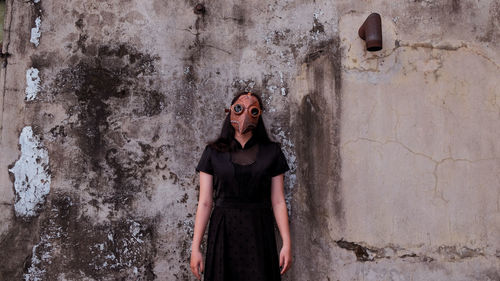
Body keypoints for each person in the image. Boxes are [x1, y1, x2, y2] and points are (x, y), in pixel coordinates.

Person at [190, 91, 292, 281]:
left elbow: (278, 201)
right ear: (230, 111)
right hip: (224, 231)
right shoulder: (212, 152)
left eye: (252, 110)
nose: (244, 114)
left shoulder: (272, 152)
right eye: (239, 108)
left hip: (259, 229)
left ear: (258, 115)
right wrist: (195, 248)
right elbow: (204, 202)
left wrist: (286, 243)